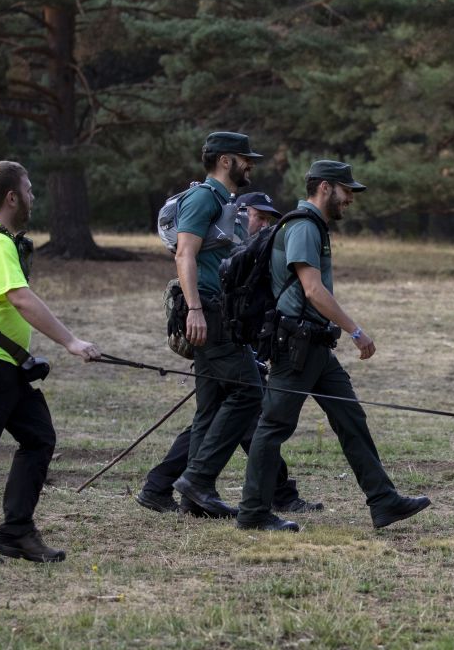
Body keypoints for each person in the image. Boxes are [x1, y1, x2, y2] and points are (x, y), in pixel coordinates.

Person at [237, 160, 431, 532]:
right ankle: (253, 512)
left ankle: (383, 501)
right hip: (296, 344)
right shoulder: (304, 226)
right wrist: (356, 331)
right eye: (346, 191)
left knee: (350, 418)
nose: (350, 200)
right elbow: (312, 289)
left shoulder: (313, 227)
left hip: (314, 346)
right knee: (274, 426)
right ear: (325, 187)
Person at [0, 160, 100, 565]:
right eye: (28, 190)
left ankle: (16, 534)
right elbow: (21, 298)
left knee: (39, 437)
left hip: (4, 366)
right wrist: (70, 341)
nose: (32, 197)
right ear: (11, 197)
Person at [134, 191, 322, 515]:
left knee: (211, 419)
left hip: (228, 339)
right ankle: (277, 493)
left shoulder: (245, 254)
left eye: (267, 220)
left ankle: (165, 488)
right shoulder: (221, 250)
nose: (263, 224)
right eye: (258, 217)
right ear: (240, 214)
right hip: (216, 335)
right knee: (249, 409)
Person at [169, 131, 270, 519]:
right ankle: (197, 479)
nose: (251, 166)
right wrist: (194, 309)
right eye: (246, 159)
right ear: (226, 160)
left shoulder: (222, 201)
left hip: (217, 310)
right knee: (248, 392)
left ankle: (193, 498)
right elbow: (185, 253)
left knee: (210, 407)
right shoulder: (202, 198)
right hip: (207, 311)